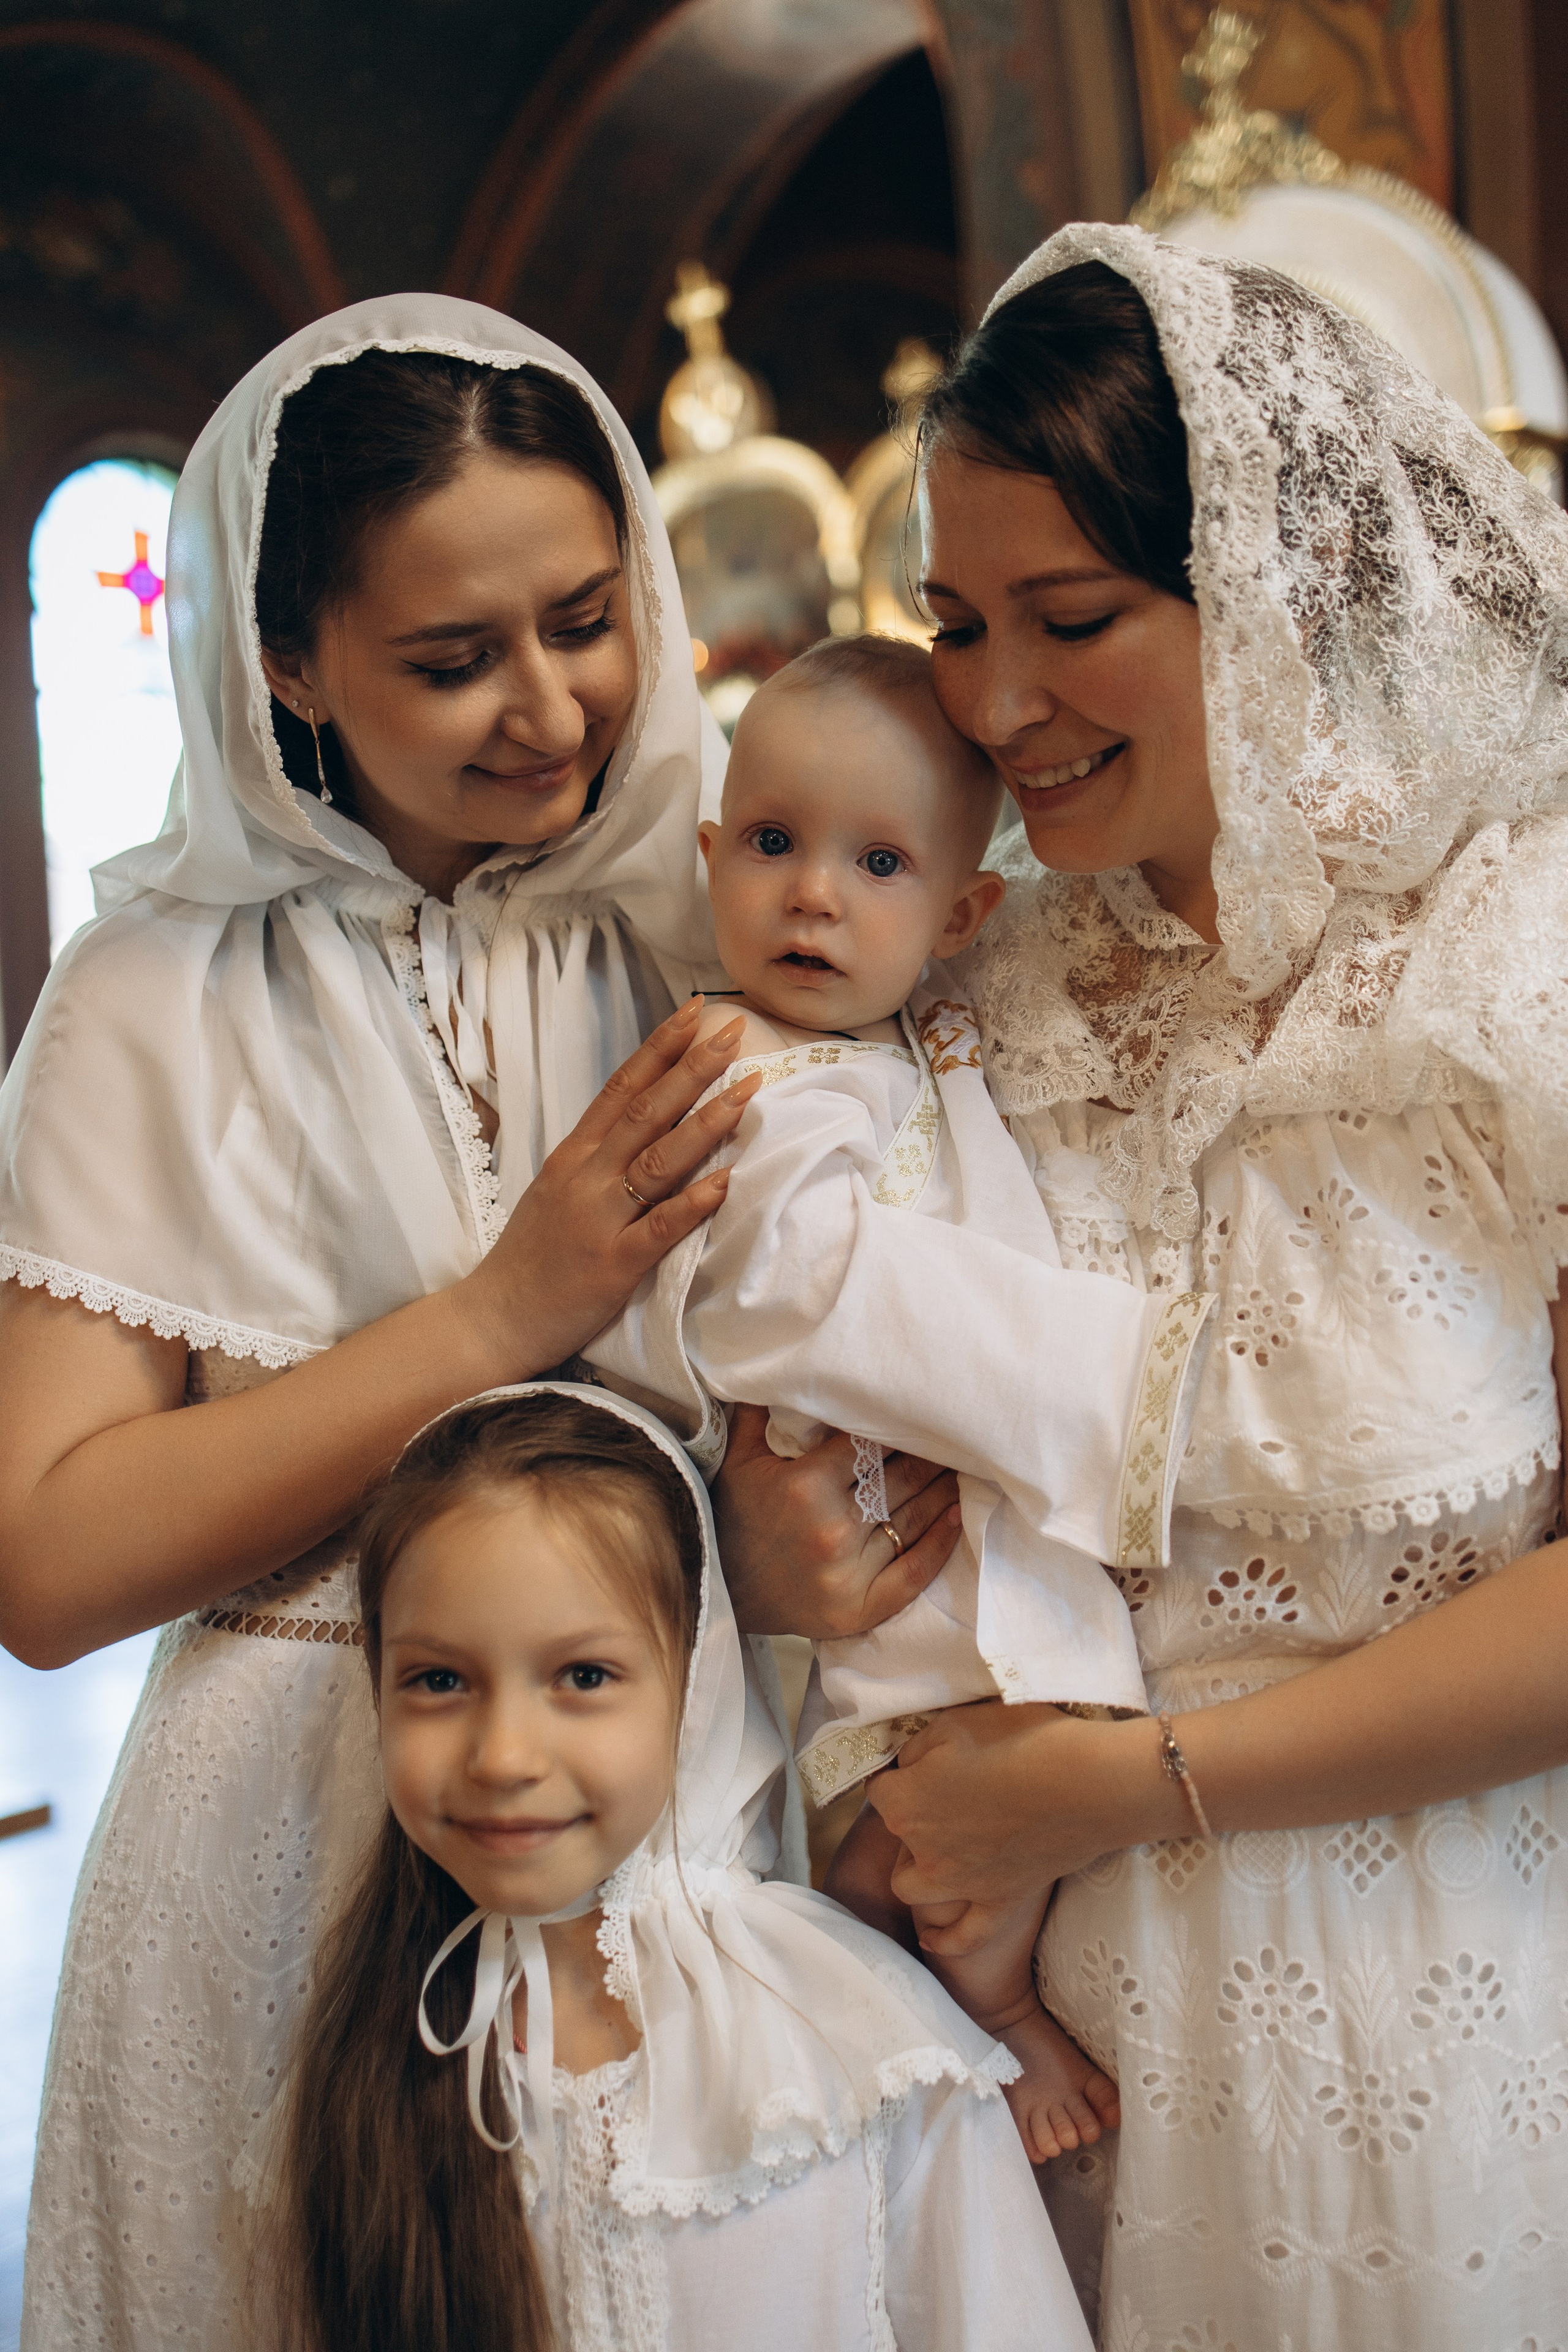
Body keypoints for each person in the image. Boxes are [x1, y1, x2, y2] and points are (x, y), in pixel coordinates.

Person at [0, 295, 806, 2350]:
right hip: (296, 1830)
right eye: (455, 661)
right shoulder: (153, 990)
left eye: (586, 619)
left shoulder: (711, 926)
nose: (549, 706)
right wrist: (499, 1318)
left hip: (682, 1798)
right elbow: (51, 1566)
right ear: (287, 663)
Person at [842, 228, 1568, 2345]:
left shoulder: (1519, 956)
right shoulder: (974, 977)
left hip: (1465, 1993)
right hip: (1065, 2058)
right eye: (955, 627)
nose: (990, 706)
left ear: (1277, 582)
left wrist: (1130, 1787)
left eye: (1072, 621)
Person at [586, 631, 1208, 2162]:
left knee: (992, 1760)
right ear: (713, 854)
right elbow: (789, 1276)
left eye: (877, 862)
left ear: (960, 912)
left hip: (970, 1505)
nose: (814, 895)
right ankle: (981, 2008)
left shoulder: (914, 1043)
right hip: (878, 1492)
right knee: (928, 1805)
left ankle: (954, 1989)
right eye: (778, 846)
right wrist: (1101, 1376)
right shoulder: (738, 1063)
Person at [260, 1380, 1094, 2352]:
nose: (502, 1757)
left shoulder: (860, 2041)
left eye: (584, 1676)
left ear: (696, 1685)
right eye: (438, 1680)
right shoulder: (368, 2069)